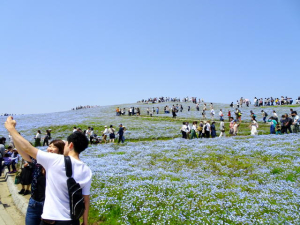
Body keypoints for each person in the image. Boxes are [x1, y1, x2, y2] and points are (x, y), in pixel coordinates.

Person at [5, 117, 92, 225]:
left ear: (70, 145)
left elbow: (27, 148)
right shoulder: (87, 170)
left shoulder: (55, 160)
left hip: (52, 220)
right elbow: (86, 199)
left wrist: (11, 129)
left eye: (65, 144)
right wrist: (85, 221)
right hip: (72, 220)